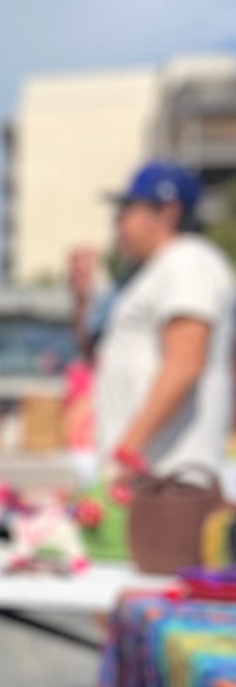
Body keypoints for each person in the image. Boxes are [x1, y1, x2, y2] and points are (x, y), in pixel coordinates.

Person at [94, 161, 235, 480]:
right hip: (148, 479)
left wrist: (126, 453)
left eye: (129, 208)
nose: (119, 221)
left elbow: (185, 363)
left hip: (171, 479)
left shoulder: (189, 262)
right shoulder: (152, 272)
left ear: (167, 212)